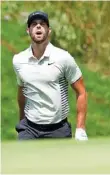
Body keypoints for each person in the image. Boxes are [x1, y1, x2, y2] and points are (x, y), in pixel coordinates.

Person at [12, 11, 88, 141]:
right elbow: (22, 90)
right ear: (28, 30)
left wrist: (81, 128)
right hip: (29, 129)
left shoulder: (63, 58)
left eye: (42, 24)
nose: (38, 27)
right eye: (34, 24)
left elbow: (81, 92)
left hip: (58, 129)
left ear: (49, 30)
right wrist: (21, 121)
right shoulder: (19, 60)